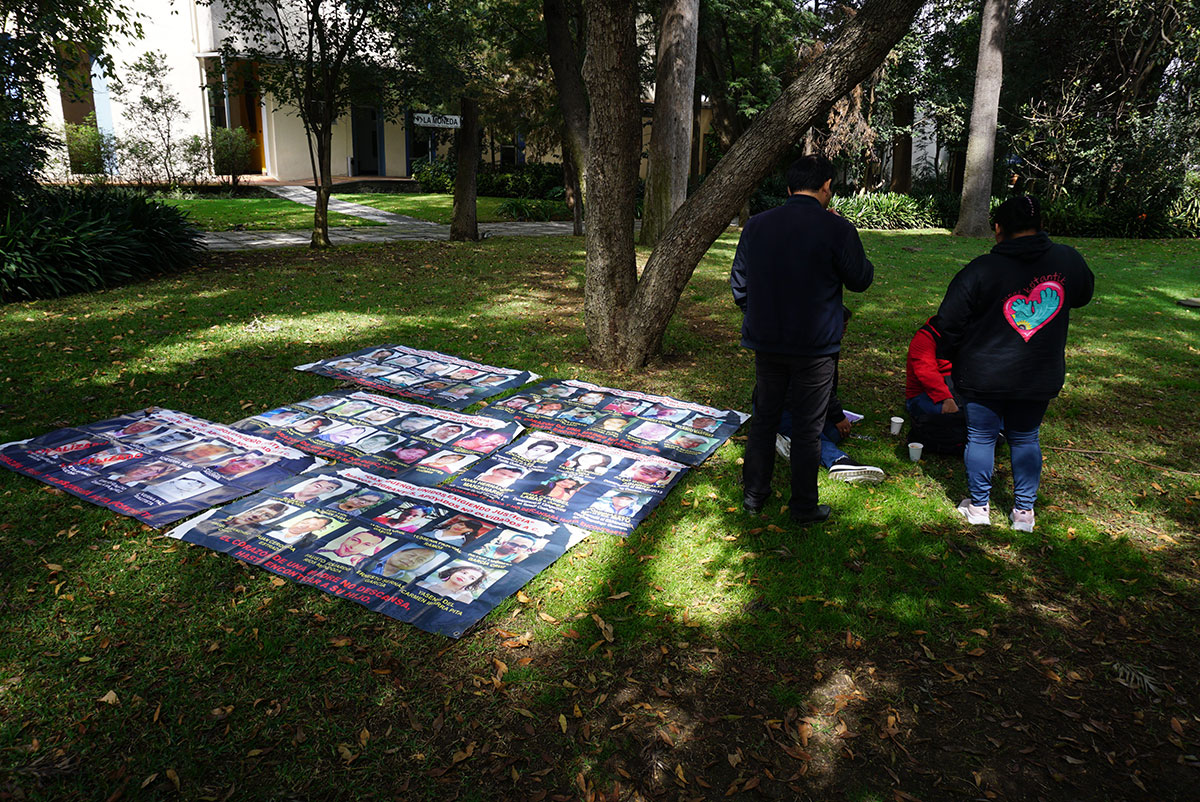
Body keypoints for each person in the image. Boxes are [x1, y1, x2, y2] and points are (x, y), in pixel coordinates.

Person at [730, 154, 874, 525]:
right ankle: (803, 507)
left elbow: (739, 284)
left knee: (765, 418)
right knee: (808, 428)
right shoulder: (835, 229)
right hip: (815, 347)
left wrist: (760, 316)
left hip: (767, 341)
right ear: (826, 187)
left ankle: (753, 495)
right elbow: (860, 279)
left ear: (790, 187)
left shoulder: (757, 226)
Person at [935, 196, 1094, 532]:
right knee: (1025, 437)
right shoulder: (1068, 260)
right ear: (1040, 226)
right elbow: (1082, 294)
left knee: (981, 436)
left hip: (983, 373)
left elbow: (948, 320)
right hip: (1038, 372)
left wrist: (950, 354)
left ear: (997, 229)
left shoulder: (980, 270)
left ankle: (979, 507)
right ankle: (1024, 513)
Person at [771, 308, 885, 484]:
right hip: (785, 409)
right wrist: (838, 415)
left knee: (836, 431)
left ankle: (793, 445)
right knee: (812, 433)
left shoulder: (828, 343)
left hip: (805, 407)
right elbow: (818, 387)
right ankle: (839, 460)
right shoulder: (811, 347)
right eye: (843, 327)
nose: (845, 332)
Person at [904, 316, 967, 456]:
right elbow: (927, 373)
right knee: (952, 419)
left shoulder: (963, 334)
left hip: (956, 388)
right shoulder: (924, 338)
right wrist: (945, 399)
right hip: (924, 395)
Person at [418, 564, 489, 604]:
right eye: (464, 573)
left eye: (472, 578)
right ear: (454, 571)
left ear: (473, 583)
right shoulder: (424, 584)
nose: (464, 577)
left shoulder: (466, 598)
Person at [371, 546, 448, 581]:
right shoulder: (368, 562)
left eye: (420, 560)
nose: (412, 560)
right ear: (399, 551)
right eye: (412, 555)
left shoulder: (407, 580)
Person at [316, 530, 385, 566]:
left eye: (366, 544)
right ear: (348, 539)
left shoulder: (364, 561)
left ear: (370, 547)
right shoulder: (320, 550)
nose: (354, 546)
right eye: (355, 540)